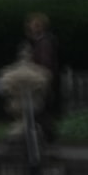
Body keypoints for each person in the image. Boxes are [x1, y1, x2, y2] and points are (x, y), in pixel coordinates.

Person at [25, 12, 61, 142]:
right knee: (41, 109)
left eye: (36, 25)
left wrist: (39, 73)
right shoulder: (40, 41)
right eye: (33, 25)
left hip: (44, 79)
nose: (33, 28)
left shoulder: (44, 42)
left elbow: (45, 62)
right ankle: (47, 135)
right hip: (45, 78)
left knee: (41, 108)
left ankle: (48, 136)